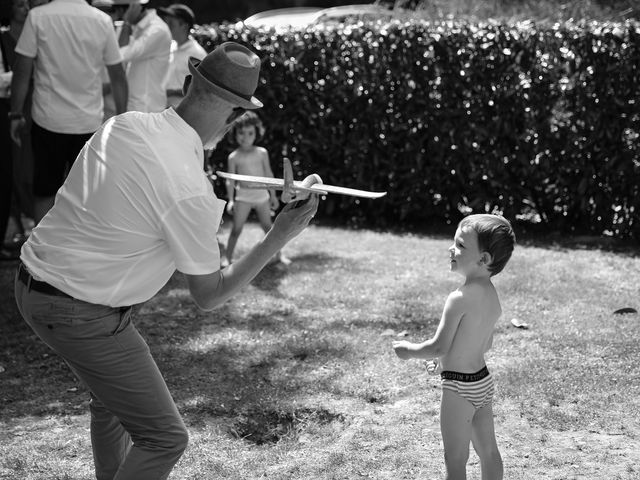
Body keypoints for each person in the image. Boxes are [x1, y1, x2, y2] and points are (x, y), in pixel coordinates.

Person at [14, 41, 320, 480]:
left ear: (186, 83)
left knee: (113, 404)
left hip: (31, 281)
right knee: (164, 438)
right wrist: (278, 235)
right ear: (235, 115)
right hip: (78, 309)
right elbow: (209, 295)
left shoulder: (123, 124)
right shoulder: (192, 192)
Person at [393, 214, 516, 480]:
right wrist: (444, 362)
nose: (452, 249)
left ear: (484, 259)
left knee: (456, 458)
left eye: (460, 245)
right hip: (482, 382)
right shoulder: (492, 295)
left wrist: (408, 351)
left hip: (459, 388)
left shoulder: (458, 299)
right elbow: (484, 342)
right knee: (489, 453)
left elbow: (438, 345)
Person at [9, 0, 128, 225]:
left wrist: (16, 114)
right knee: (87, 194)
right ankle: (81, 252)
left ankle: (42, 253)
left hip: (47, 118)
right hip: (88, 122)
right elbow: (118, 74)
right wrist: (121, 118)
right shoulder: (101, 20)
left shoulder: (38, 16)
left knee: (45, 191)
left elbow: (22, 71)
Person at [224, 111, 288, 266]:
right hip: (243, 196)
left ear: (257, 133)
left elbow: (268, 175)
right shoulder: (234, 157)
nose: (245, 137)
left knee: (268, 227)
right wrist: (231, 200)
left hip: (261, 196)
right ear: (235, 133)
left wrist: (273, 196)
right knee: (236, 229)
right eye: (241, 133)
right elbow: (230, 181)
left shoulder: (261, 153)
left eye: (250, 133)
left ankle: (279, 255)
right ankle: (226, 258)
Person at [116, 0, 172, 112]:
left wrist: (126, 23)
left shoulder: (157, 30)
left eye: (121, 9)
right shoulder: (139, 26)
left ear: (135, 7)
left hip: (147, 109)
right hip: (138, 107)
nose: (119, 14)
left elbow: (121, 55)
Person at [159, 3, 206, 108]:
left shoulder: (197, 53)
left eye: (171, 24)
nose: (167, 28)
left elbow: (203, 88)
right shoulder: (170, 47)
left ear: (184, 26)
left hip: (183, 113)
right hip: (164, 110)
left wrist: (173, 92)